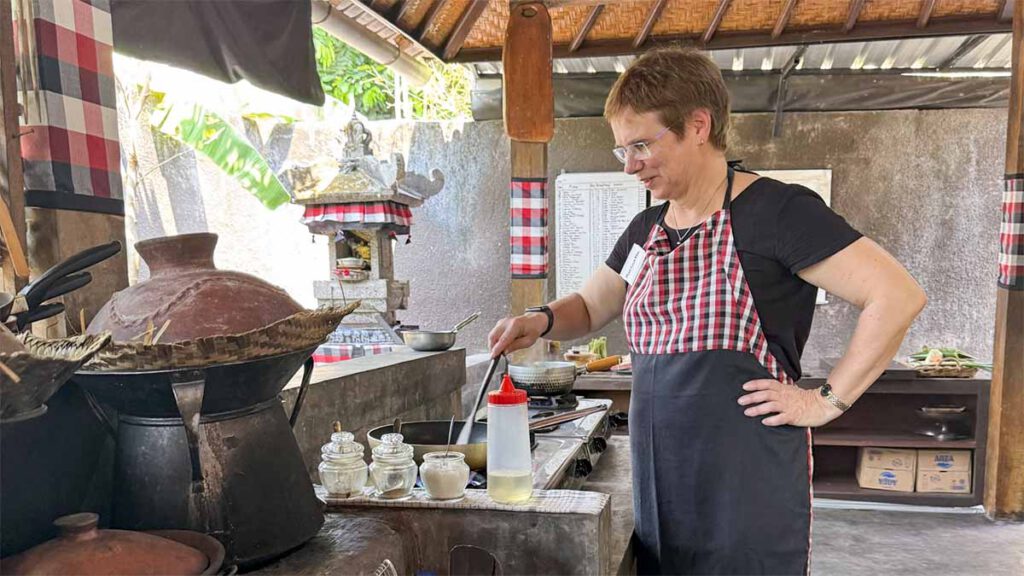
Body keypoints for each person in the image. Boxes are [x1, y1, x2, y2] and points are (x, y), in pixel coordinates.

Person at [488, 47, 926, 575]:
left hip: (745, 485)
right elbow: (590, 304)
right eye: (621, 150)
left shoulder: (778, 212)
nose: (630, 165)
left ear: (699, 125)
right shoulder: (646, 230)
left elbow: (896, 295)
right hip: (662, 477)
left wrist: (826, 401)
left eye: (642, 145)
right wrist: (539, 319)